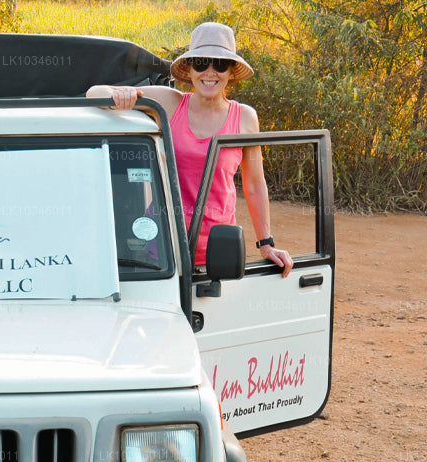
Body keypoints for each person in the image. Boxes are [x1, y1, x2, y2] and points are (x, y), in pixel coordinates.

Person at [88, 22, 293, 277]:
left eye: (219, 65)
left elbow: (254, 184)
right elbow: (94, 93)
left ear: (230, 72)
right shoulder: (169, 102)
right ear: (190, 69)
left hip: (217, 249)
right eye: (201, 62)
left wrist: (266, 244)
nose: (210, 72)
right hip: (163, 247)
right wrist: (122, 94)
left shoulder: (245, 118)